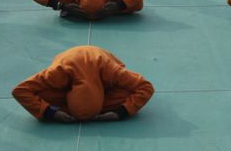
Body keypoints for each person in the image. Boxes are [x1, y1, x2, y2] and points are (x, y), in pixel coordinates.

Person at [12, 46, 154, 122]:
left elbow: (146, 87)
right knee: (40, 93)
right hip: (69, 62)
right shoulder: (58, 74)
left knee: (128, 92)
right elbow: (20, 90)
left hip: (102, 63)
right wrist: (51, 114)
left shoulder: (111, 72)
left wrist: (121, 112)